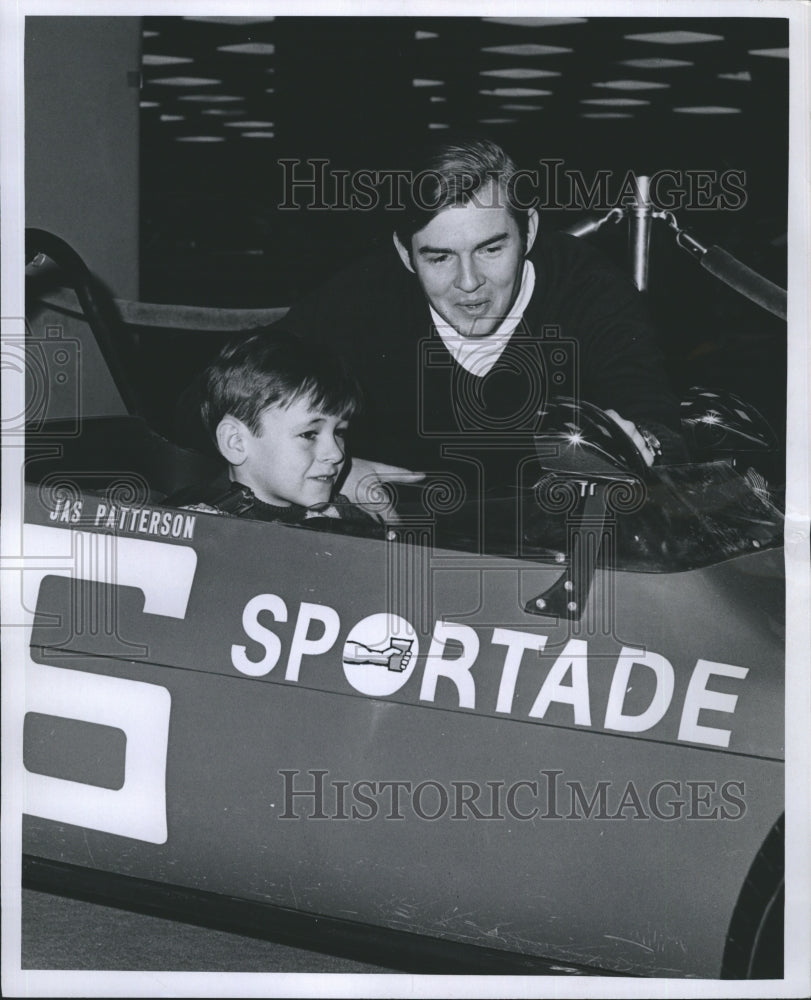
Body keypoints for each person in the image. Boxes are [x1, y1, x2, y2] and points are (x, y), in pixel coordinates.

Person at [278, 137, 686, 508]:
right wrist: (337, 472)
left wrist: (640, 443)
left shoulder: (590, 288)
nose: (469, 283)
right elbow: (234, 401)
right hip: (403, 544)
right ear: (404, 254)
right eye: (439, 258)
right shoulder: (363, 296)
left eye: (490, 249)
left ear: (528, 229)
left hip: (562, 543)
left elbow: (658, 422)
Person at [169, 330, 381, 532]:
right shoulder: (200, 530)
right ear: (236, 442)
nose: (336, 454)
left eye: (339, 432)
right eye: (309, 434)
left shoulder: (345, 519)